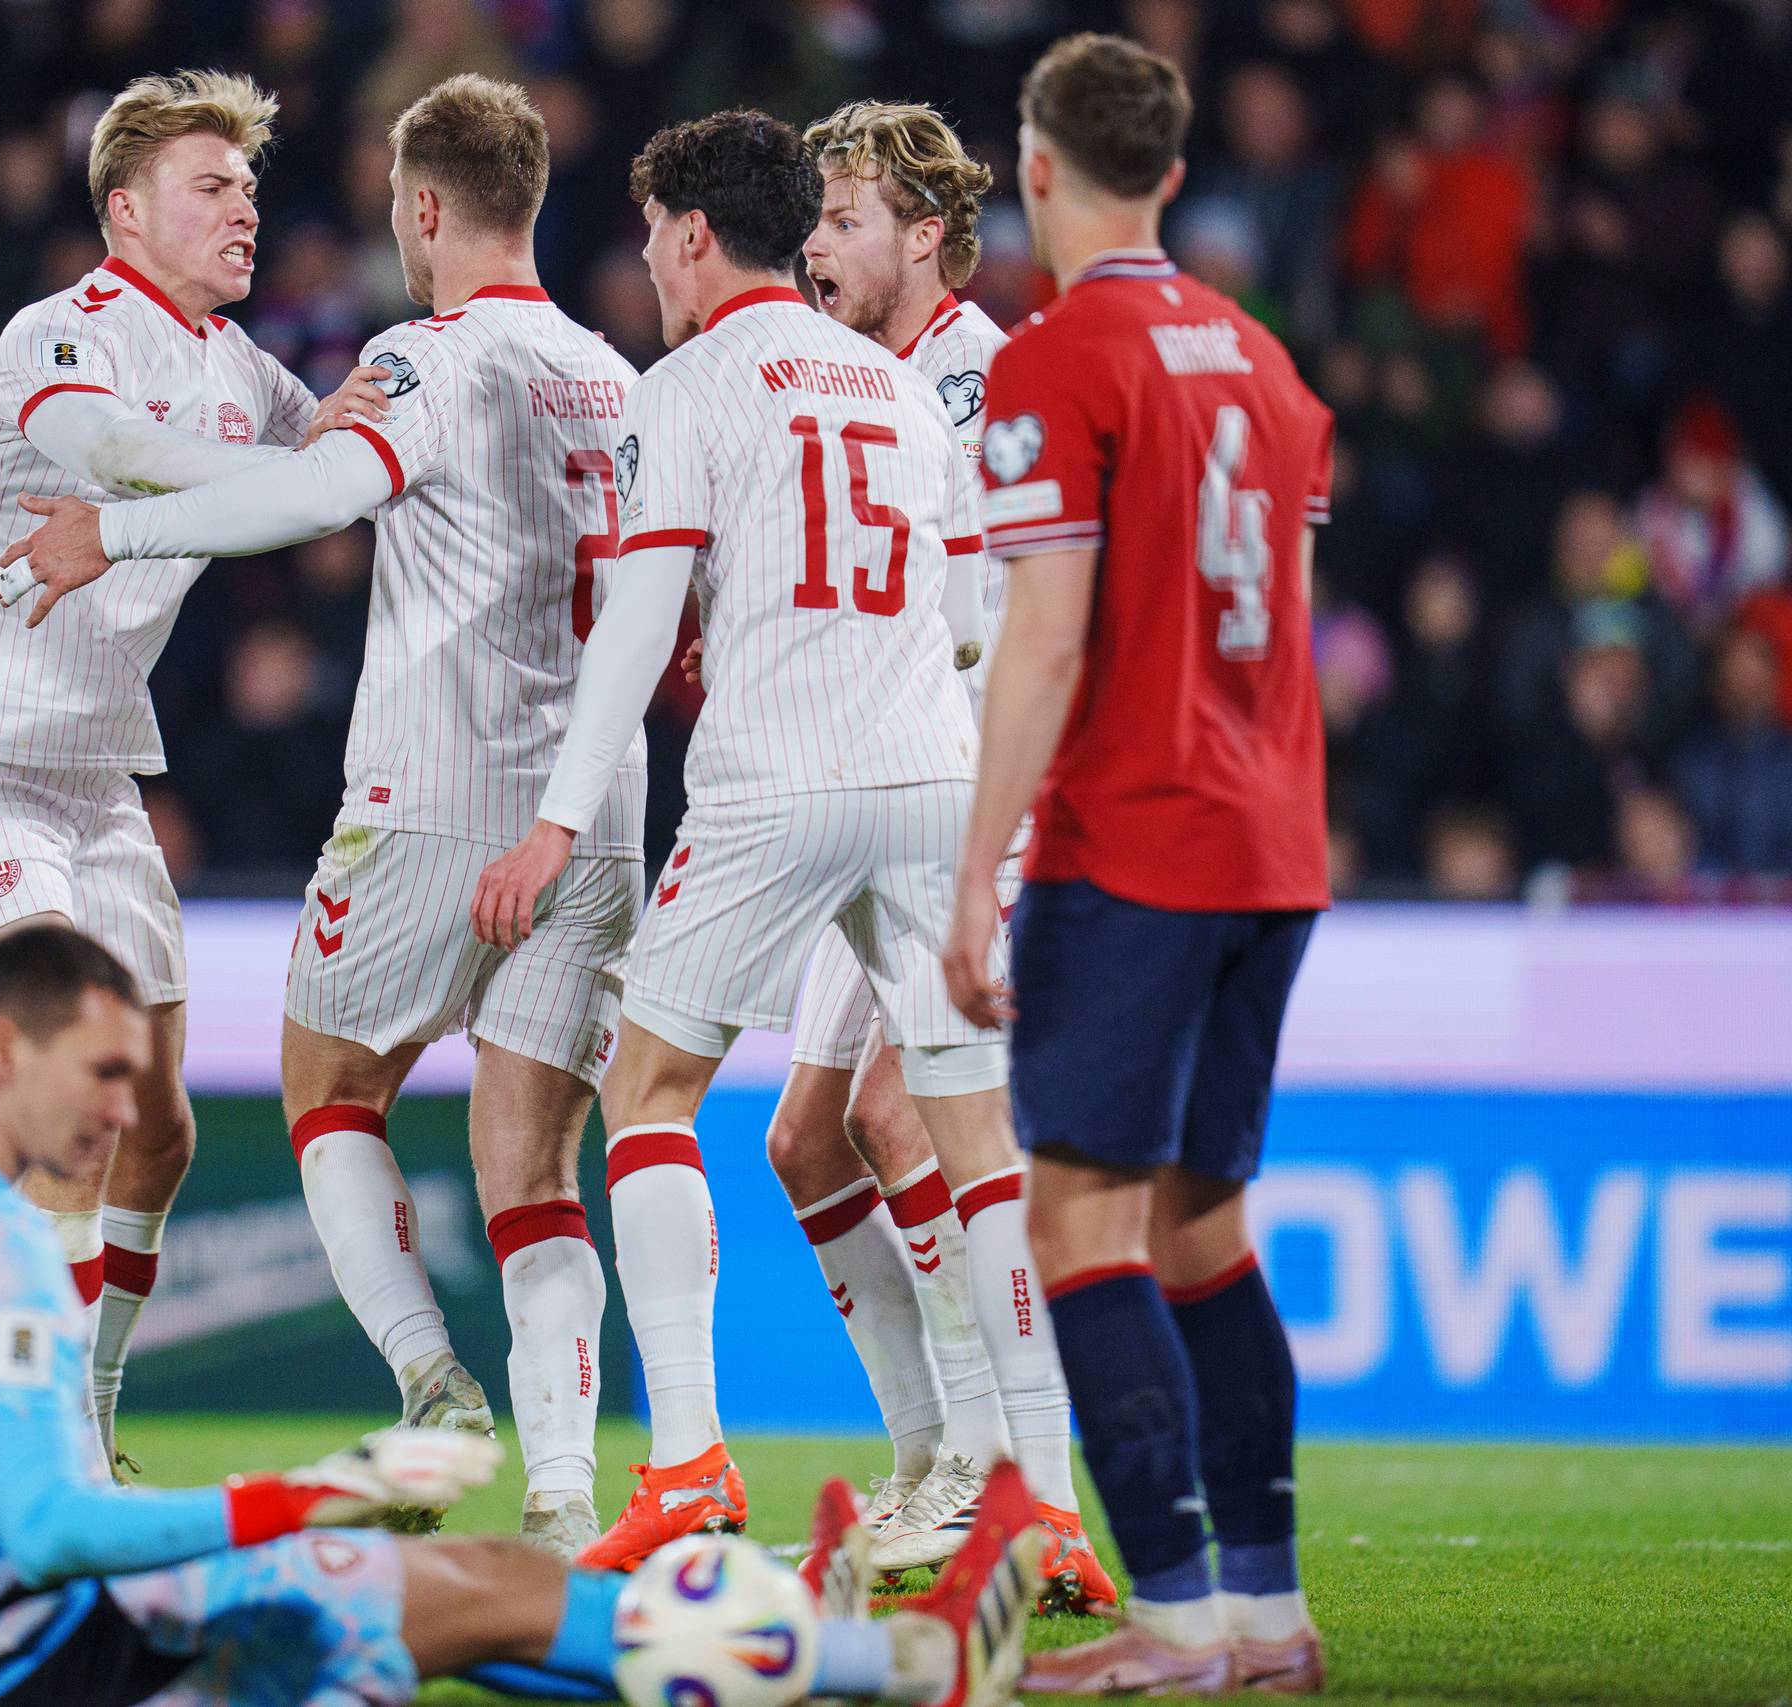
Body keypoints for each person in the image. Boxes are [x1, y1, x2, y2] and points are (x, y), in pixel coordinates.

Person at [0, 918, 1050, 1707]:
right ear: (2, 1053)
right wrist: (321, 1491)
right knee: (475, 1591)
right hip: (35, 1667)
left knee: (460, 1595)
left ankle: (808, 1661)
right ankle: (894, 1671)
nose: (122, 1111)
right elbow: (50, 1528)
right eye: (103, 1073)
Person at [0, 74, 641, 1555]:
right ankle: (560, 1494)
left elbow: (319, 494)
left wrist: (121, 527)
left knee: (329, 1082)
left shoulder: (430, 352)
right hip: (595, 809)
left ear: (422, 211)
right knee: (536, 1167)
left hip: (435, 793)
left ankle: (432, 1384)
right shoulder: (613, 371)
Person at [469, 109, 995, 1573]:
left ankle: (691, 1462)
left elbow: (637, 630)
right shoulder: (899, 386)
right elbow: (958, 627)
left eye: (650, 236)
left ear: (696, 237)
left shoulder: (687, 384)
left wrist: (555, 824)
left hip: (775, 780)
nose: (646, 261)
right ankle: (1017, 1475)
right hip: (930, 781)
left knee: (648, 1091)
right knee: (950, 1124)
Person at [0, 70, 386, 1466]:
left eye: (253, 190)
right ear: (124, 209)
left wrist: (423, 384)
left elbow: (341, 437)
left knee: (157, 1130)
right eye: (213, 187)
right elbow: (120, 457)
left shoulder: (240, 366)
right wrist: (252, 487)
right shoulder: (61, 337)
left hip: (98, 781)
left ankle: (88, 1401)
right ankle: (14, 1434)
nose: (246, 210)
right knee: (70, 1084)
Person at [940, 34, 1335, 1695]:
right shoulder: (1266, 362)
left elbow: (1044, 640)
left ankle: (1170, 1620)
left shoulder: (1053, 361)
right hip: (1273, 840)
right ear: (1171, 172)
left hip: (1138, 843)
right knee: (1202, 1229)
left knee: (1079, 1225)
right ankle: (1266, 1609)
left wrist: (977, 878)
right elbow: (1286, 624)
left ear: (1036, 169)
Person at [762, 98, 1110, 1606]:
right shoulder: (853, 381)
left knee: (911, 1118)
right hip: (884, 797)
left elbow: (1050, 602)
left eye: (842, 218)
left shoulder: (990, 381)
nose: (817, 245)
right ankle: (922, 1453)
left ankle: (999, 1458)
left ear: (925, 235)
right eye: (816, 219)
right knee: (804, 1137)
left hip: (986, 806)